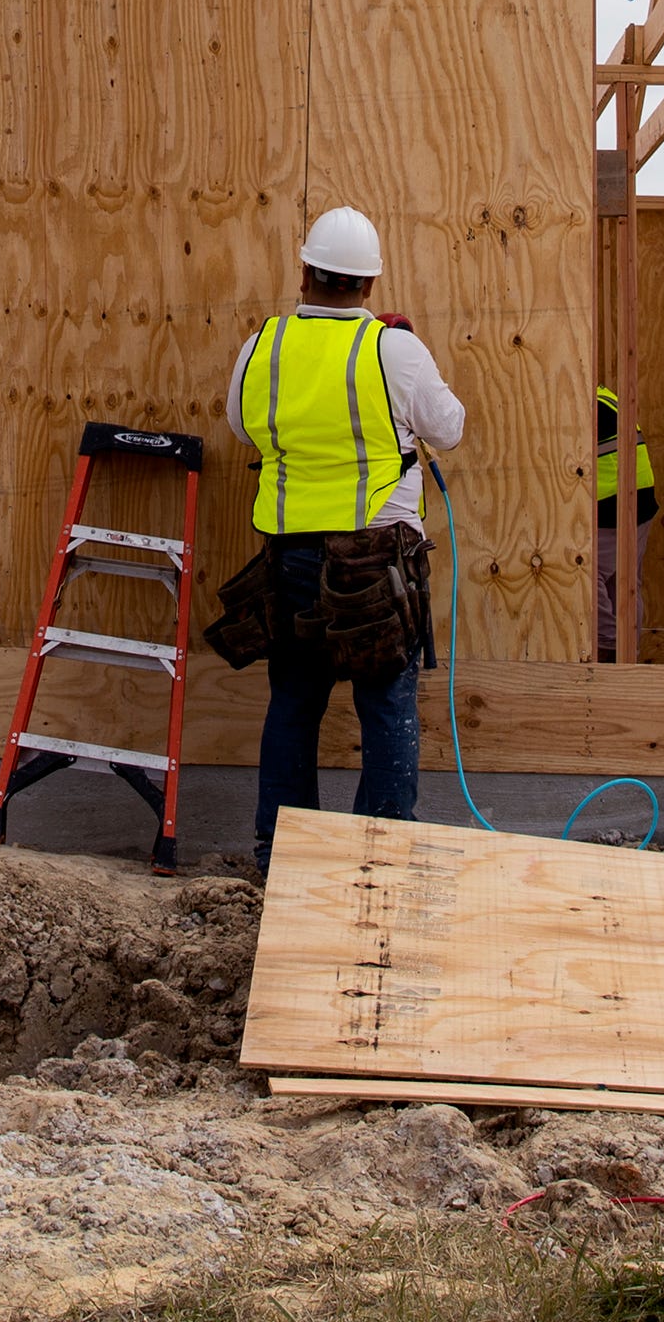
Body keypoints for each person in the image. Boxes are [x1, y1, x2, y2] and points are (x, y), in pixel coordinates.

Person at [227, 205, 465, 869]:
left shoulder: (263, 346)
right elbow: (449, 429)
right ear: (369, 285)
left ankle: (280, 854)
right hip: (377, 565)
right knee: (386, 705)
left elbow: (243, 428)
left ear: (304, 270)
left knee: (294, 704)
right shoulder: (394, 349)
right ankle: (381, 855)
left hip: (293, 561)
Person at [594, 384, 658, 661]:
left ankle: (610, 648)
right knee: (624, 582)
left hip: (614, 503)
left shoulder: (586, 405)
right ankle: (627, 654)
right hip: (637, 501)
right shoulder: (604, 397)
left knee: (582, 575)